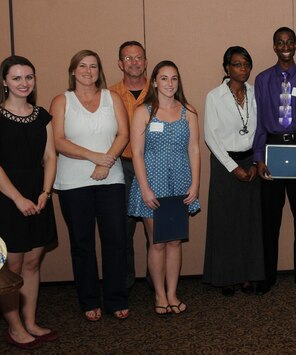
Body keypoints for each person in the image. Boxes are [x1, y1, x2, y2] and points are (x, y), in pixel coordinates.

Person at [0, 56, 58, 349]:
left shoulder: (42, 116)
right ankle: (14, 328)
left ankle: (30, 321)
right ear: (5, 82)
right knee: (12, 266)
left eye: (29, 77)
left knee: (33, 261)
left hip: (38, 195)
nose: (24, 83)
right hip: (7, 198)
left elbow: (50, 157)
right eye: (17, 78)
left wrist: (46, 192)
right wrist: (18, 198)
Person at [51, 50, 130, 321]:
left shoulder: (112, 98)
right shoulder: (62, 101)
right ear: (73, 71)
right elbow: (58, 140)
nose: (88, 71)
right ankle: (88, 301)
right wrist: (93, 156)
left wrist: (105, 164)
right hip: (73, 183)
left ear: (100, 70)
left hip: (111, 179)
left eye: (93, 66)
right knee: (82, 243)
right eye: (82, 66)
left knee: (116, 240)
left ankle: (116, 298)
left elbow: (124, 134)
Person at [252, 27, 296, 295]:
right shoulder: (262, 80)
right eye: (280, 42)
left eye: (289, 41)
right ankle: (267, 276)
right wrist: (258, 157)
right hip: (272, 149)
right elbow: (258, 123)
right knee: (270, 220)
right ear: (274, 45)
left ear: (295, 44)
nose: (285, 46)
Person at [128, 60, 200, 313]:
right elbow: (136, 153)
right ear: (155, 82)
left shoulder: (188, 111)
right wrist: (145, 188)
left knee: (175, 242)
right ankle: (159, 295)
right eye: (164, 78)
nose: (170, 83)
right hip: (152, 182)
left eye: (174, 78)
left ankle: (172, 293)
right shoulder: (143, 111)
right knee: (157, 242)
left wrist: (196, 183)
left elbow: (194, 149)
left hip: (180, 182)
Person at [203, 46, 264, 296]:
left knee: (249, 222)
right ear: (226, 68)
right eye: (238, 64)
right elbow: (210, 136)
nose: (243, 69)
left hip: (251, 161)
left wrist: (254, 162)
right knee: (226, 223)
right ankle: (225, 277)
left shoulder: (255, 93)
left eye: (247, 64)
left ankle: (247, 275)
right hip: (224, 163)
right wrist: (233, 167)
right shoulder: (214, 96)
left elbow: (261, 129)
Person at [109, 40, 150, 291]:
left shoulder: (159, 91)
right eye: (128, 58)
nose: (134, 62)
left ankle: (157, 282)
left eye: (139, 58)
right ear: (119, 63)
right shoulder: (109, 95)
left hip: (152, 165)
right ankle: (124, 284)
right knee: (122, 228)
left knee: (155, 228)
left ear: (146, 62)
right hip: (121, 166)